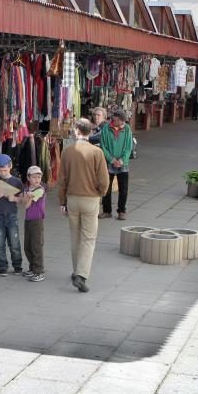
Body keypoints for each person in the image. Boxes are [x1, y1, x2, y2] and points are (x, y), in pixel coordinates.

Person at [59, 119, 109, 293]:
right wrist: (100, 192)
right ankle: (81, 274)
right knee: (88, 238)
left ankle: (76, 270)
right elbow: (104, 180)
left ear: (77, 131)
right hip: (90, 199)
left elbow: (62, 180)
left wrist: (62, 201)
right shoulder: (97, 152)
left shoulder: (67, 151)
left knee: (75, 236)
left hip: (72, 198)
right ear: (89, 131)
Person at [0, 154, 24, 276]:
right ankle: (2, 266)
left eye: (5, 170)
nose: (2, 173)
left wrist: (13, 198)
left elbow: (22, 199)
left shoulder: (16, 181)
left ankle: (17, 266)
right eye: (0, 170)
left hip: (11, 216)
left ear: (10, 167)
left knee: (14, 243)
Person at [100, 109, 133, 220]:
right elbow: (103, 146)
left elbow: (129, 147)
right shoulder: (106, 128)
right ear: (116, 119)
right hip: (109, 163)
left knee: (123, 189)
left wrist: (122, 160)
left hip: (123, 164)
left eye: (124, 121)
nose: (123, 123)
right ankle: (106, 210)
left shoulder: (127, 129)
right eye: (121, 121)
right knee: (106, 188)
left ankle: (121, 211)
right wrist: (111, 159)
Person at [21, 165, 46, 282]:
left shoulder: (40, 189)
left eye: (39, 177)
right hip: (28, 220)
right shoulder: (27, 189)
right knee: (27, 246)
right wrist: (27, 197)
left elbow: (27, 203)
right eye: (34, 177)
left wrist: (28, 197)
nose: (37, 180)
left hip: (37, 220)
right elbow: (24, 203)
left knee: (36, 246)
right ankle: (32, 267)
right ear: (28, 178)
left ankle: (39, 271)